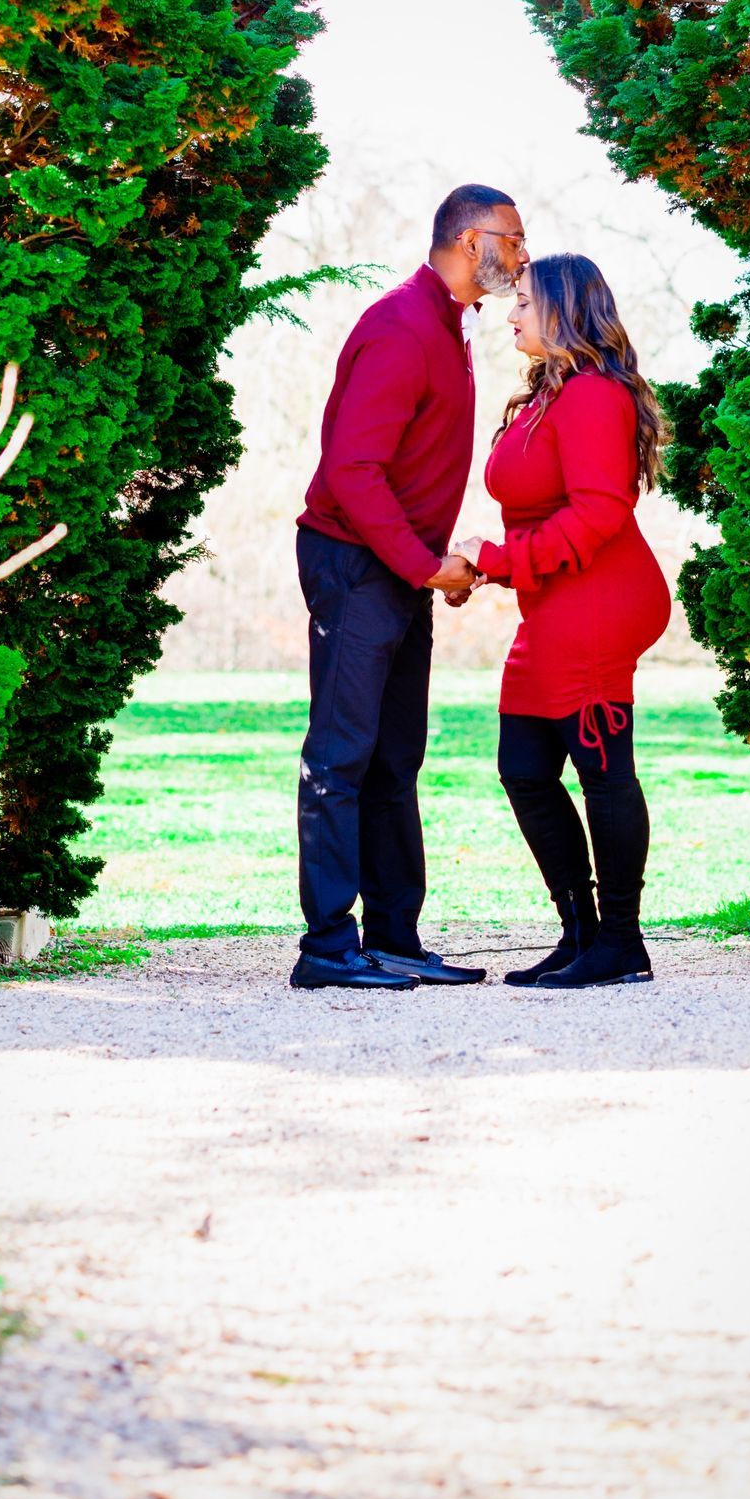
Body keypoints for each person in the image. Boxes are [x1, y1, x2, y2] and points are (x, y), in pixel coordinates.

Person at [291, 184, 528, 991]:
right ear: (470, 241)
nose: (522, 254)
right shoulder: (399, 325)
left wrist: (430, 564)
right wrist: (423, 563)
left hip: (396, 567)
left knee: (396, 758)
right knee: (341, 756)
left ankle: (392, 936)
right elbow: (353, 471)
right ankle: (327, 949)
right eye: (513, 238)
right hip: (355, 563)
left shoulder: (449, 327)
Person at [455, 253, 671, 988]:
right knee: (523, 767)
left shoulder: (593, 398)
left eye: (523, 302)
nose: (511, 314)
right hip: (555, 599)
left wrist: (496, 561)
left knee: (602, 771)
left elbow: (600, 512)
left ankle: (621, 944)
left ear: (565, 310)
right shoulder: (555, 393)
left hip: (602, 601)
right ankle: (581, 934)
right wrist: (494, 566)